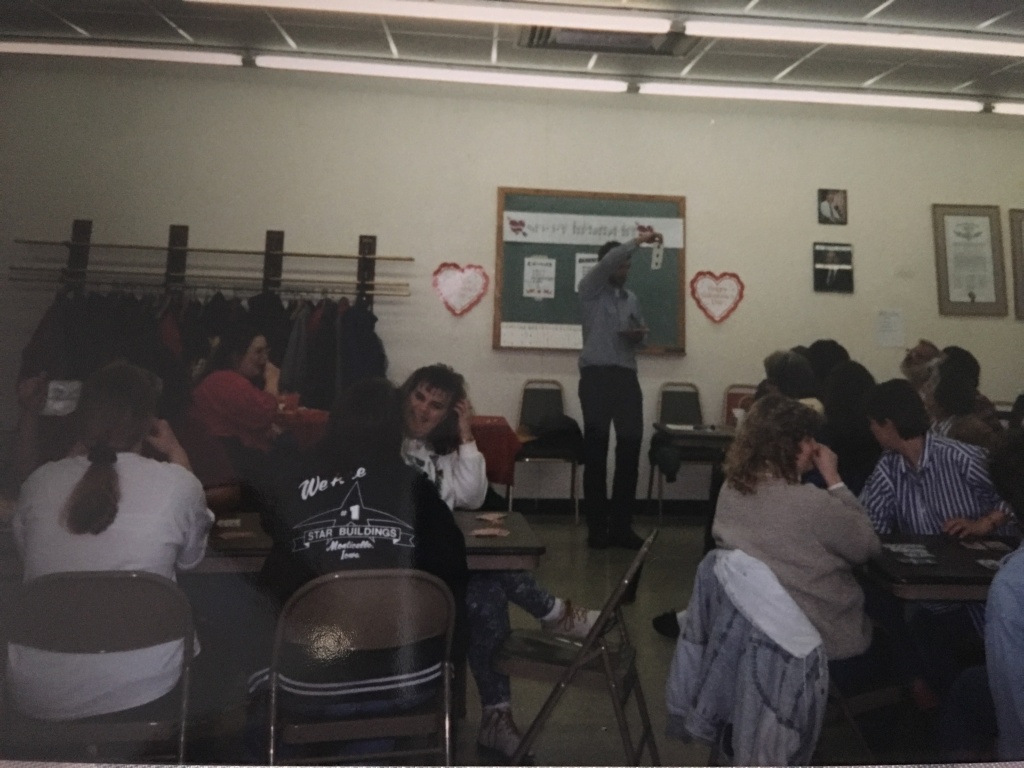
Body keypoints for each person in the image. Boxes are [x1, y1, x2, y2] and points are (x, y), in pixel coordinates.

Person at [398, 364, 599, 760]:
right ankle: (553, 612)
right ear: (405, 395)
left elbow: (471, 498)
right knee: (486, 576)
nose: (423, 410)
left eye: (436, 405)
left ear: (448, 414)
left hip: (440, 566)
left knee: (485, 590)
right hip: (408, 569)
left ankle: (497, 715)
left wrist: (467, 435)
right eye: (419, 397)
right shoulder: (391, 445)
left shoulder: (442, 451)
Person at [253, 377, 468, 725]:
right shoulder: (417, 490)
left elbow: (271, 521)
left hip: (307, 680)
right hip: (405, 680)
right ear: (395, 430)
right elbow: (453, 573)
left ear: (333, 422)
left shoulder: (294, 478)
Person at [8, 362, 213, 721]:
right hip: (149, 688)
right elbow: (191, 560)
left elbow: (34, 565)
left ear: (82, 417)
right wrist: (178, 454)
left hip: (40, 692)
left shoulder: (40, 483)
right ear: (148, 421)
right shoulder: (178, 486)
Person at [859, 378, 1013, 700]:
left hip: (990, 583)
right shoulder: (891, 466)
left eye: (873, 423)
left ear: (888, 424)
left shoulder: (961, 458)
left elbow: (1014, 496)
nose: (870, 431)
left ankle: (958, 702)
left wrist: (984, 523)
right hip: (935, 587)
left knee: (923, 625)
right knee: (914, 618)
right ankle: (951, 701)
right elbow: (866, 521)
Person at [711, 395, 882, 684]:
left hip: (754, 640)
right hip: (820, 644)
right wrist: (834, 479)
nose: (815, 446)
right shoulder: (812, 504)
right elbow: (867, 547)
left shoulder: (731, 490)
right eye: (808, 438)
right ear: (788, 446)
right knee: (895, 620)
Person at [577, 230, 662, 550]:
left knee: (629, 448)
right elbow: (611, 258)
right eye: (620, 265)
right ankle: (597, 529)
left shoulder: (632, 299)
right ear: (606, 266)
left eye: (627, 266)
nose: (624, 271)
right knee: (596, 451)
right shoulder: (589, 290)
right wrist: (637, 242)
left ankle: (622, 527)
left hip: (626, 377)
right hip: (596, 377)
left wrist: (638, 336)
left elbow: (643, 335)